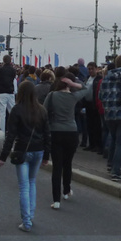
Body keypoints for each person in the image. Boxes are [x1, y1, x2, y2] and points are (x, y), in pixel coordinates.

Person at [0, 80, 51, 232]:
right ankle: (30, 216)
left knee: (24, 186)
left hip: (22, 150)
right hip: (38, 149)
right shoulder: (42, 110)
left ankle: (26, 221)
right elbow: (47, 134)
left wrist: (3, 156)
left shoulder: (17, 110)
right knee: (32, 182)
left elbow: (11, 135)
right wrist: (47, 154)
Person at [43, 73, 89, 207]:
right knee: (68, 163)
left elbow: (44, 112)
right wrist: (74, 84)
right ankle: (66, 191)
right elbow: (86, 89)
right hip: (71, 132)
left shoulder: (51, 95)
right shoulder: (73, 97)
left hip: (55, 131)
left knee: (57, 166)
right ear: (69, 84)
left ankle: (56, 200)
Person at [0, 55, 18, 134]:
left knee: (2, 114)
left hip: (1, 93)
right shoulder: (13, 70)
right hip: (10, 93)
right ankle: (15, 131)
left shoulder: (0, 70)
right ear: (10, 60)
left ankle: (2, 133)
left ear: (3, 61)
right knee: (13, 112)